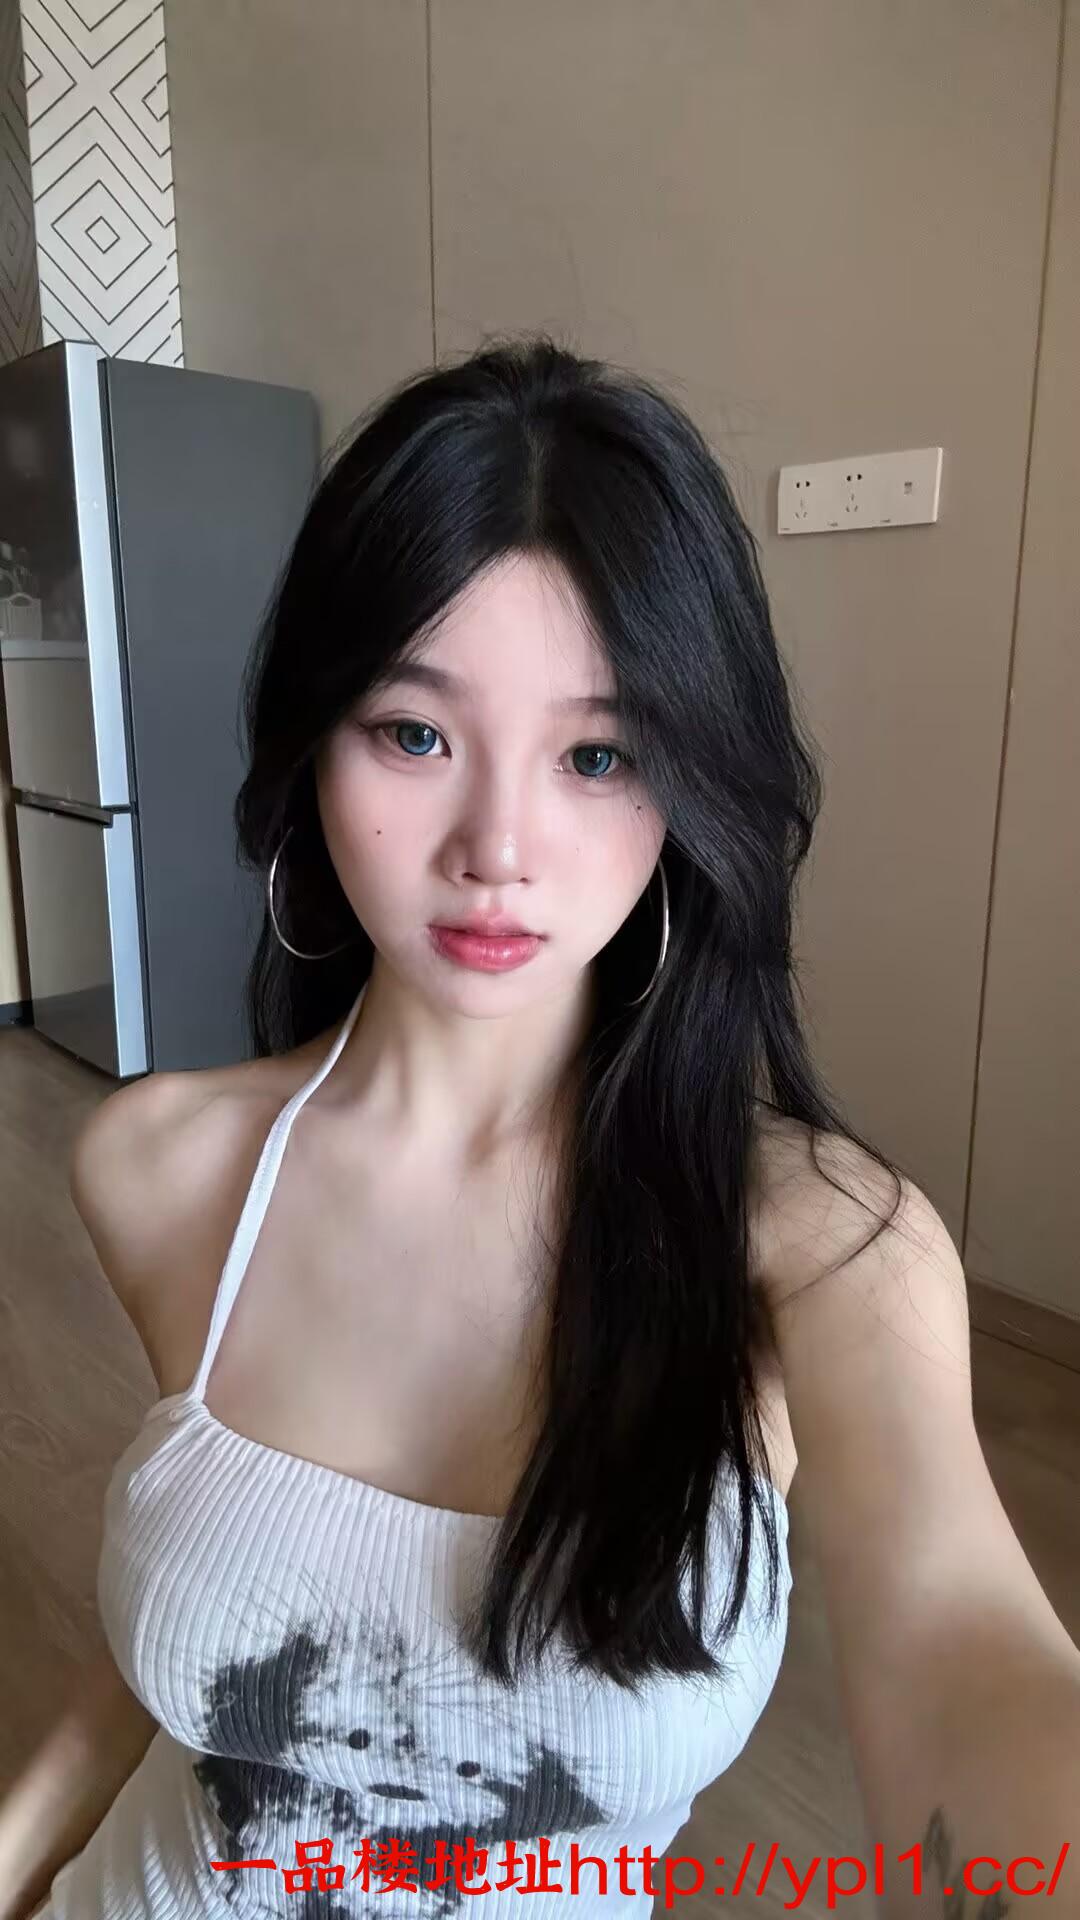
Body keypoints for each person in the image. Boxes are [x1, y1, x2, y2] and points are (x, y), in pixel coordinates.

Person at [3, 335, 1077, 1920]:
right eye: (414, 733)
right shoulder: (160, 1166)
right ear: (311, 748)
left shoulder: (813, 1244)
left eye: (598, 754)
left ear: (691, 783)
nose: (497, 848)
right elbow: (217, 1608)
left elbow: (965, 1647)